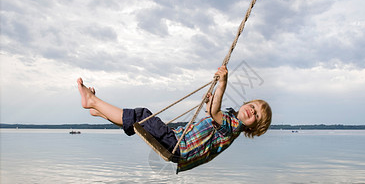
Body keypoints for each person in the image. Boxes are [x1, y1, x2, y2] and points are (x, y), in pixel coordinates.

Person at [77, 66, 272, 173]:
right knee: (140, 122)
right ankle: (99, 111)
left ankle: (92, 101)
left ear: (253, 127)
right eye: (253, 107)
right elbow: (211, 116)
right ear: (247, 103)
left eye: (256, 116)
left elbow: (214, 114)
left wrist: (222, 84)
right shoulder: (228, 120)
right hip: (178, 143)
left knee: (142, 115)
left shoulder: (234, 127)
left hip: (179, 146)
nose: (252, 112)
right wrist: (210, 102)